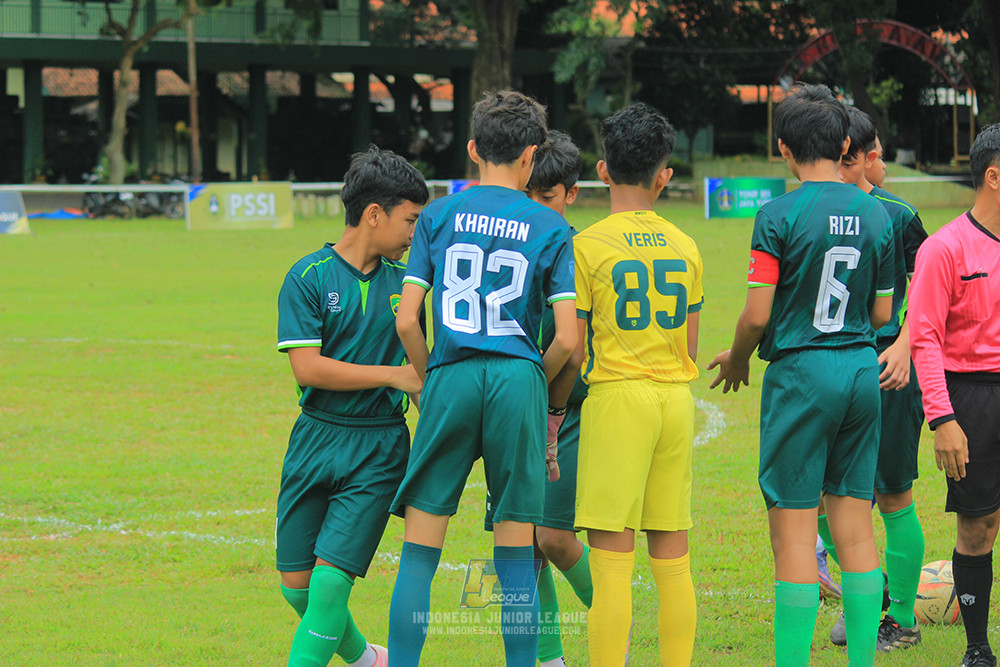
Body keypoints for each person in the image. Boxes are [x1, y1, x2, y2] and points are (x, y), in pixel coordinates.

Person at [387, 90, 578, 667]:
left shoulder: (438, 215)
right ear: (532, 155)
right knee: (515, 555)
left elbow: (406, 320)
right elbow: (567, 339)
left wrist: (433, 378)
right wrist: (532, 381)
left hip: (451, 375)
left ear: (472, 149)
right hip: (518, 379)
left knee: (420, 552)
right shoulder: (550, 225)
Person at [708, 83, 896, 667]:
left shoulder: (776, 215)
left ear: (784, 149)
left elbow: (756, 314)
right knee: (856, 528)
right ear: (844, 145)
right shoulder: (877, 213)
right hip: (861, 370)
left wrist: (739, 357)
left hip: (801, 375)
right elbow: (883, 314)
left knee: (792, 535)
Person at [275, 146, 429, 667]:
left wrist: (447, 432)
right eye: (410, 220)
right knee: (297, 586)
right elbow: (307, 369)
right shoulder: (308, 276)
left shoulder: (408, 288)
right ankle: (369, 661)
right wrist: (392, 374)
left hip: (379, 446)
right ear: (374, 214)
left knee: (329, 587)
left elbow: (422, 378)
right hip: (314, 438)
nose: (415, 234)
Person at [573, 102, 702, 667]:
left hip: (618, 401)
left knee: (610, 567)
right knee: (673, 562)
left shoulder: (587, 245)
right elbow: (691, 346)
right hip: (675, 401)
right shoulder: (686, 245)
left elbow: (574, 345)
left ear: (603, 170)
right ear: (664, 176)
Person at [819, 106, 928, 652]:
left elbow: (931, 292)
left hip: (889, 368)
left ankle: (901, 620)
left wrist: (905, 345)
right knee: (820, 500)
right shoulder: (812, 210)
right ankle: (874, 587)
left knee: (892, 495)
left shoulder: (899, 216)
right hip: (831, 368)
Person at [909, 122, 1000, 667]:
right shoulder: (943, 249)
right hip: (972, 397)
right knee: (979, 524)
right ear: (994, 176)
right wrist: (942, 419)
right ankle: (978, 648)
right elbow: (924, 339)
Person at [501, 130, 593, 667]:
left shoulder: (579, 253)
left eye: (548, 196)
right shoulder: (513, 247)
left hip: (572, 411)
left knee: (554, 537)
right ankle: (551, 658)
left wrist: (530, 381)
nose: (536, 206)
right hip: (520, 409)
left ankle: (614, 623)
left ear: (571, 194)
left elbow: (573, 347)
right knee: (524, 545)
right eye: (528, 195)